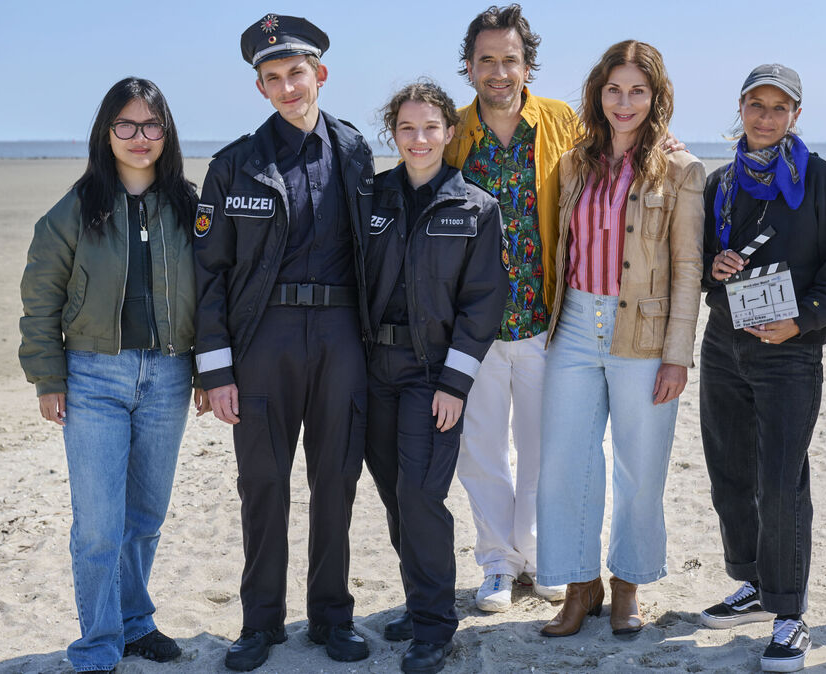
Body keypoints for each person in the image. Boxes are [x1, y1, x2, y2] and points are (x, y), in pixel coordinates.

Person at [191, 14, 375, 671]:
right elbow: (206, 273)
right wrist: (214, 371)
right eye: (272, 78)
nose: (287, 86)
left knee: (337, 481)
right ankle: (259, 624)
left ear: (319, 74)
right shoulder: (234, 166)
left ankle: (332, 617)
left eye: (296, 73)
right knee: (263, 482)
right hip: (263, 339)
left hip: (341, 337)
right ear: (261, 89)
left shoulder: (355, 153)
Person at [18, 77, 203, 674]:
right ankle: (97, 645)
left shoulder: (189, 206)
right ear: (106, 132)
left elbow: (217, 294)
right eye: (126, 125)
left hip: (170, 376)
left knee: (146, 515)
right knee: (99, 523)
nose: (139, 137)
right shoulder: (75, 209)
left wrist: (206, 369)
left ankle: (135, 622)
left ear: (166, 132)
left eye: (151, 125)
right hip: (93, 377)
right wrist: (49, 378)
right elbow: (40, 297)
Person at [536, 39, 704, 639]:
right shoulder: (576, 161)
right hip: (575, 323)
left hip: (646, 331)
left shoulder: (681, 169)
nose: (624, 102)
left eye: (637, 90)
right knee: (565, 461)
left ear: (655, 96)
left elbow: (688, 268)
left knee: (642, 464)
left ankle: (628, 584)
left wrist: (677, 356)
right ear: (598, 93)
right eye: (614, 89)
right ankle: (581, 586)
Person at [696, 64, 826, 672]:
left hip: (790, 350)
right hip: (723, 341)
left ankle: (791, 613)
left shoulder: (818, 179)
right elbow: (702, 264)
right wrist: (713, 268)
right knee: (730, 472)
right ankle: (754, 586)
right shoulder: (720, 182)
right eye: (755, 105)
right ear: (741, 108)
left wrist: (804, 321)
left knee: (782, 480)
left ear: (796, 115)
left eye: (778, 108)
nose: (766, 117)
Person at [363, 80, 506, 674]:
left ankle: (433, 625)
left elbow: (484, 303)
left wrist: (455, 384)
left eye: (430, 128)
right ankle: (421, 598)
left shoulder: (477, 208)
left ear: (450, 133)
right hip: (373, 373)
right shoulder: (369, 199)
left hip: (432, 376)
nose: (418, 139)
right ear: (393, 135)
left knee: (423, 496)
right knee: (396, 497)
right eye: (406, 129)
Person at [444, 3, 578, 611]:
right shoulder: (453, 132)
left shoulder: (561, 122)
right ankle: (497, 561)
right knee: (482, 453)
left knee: (547, 449)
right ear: (469, 68)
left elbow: (613, 164)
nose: (500, 71)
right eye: (487, 60)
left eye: (511, 60)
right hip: (473, 328)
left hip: (547, 321)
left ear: (529, 65)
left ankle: (544, 555)